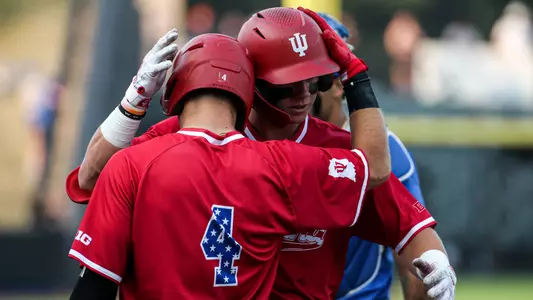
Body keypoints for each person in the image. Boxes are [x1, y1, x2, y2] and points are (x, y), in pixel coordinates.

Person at [66, 7, 456, 300]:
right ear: (252, 81)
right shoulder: (194, 140)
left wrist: (437, 265)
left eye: (313, 81)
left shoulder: (333, 150)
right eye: (287, 85)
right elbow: (94, 178)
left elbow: (412, 231)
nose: (303, 96)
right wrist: (132, 103)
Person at [313, 12, 429, 300]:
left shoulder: (385, 150)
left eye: (313, 75)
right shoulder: (267, 141)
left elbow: (414, 259)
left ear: (339, 82)